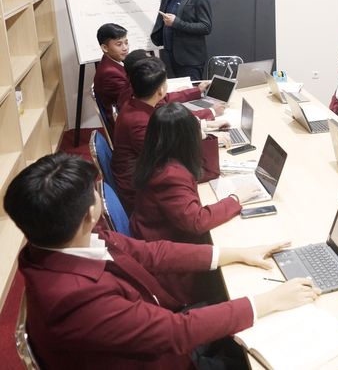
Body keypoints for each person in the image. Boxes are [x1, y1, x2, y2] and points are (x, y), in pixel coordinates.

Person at [4, 152, 318, 370]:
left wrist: (236, 253)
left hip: (151, 330)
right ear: (89, 214)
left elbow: (152, 253)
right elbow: (176, 333)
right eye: (94, 192)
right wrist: (269, 301)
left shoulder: (61, 240)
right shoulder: (75, 300)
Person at [130, 103, 256, 303]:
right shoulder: (170, 175)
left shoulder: (159, 157)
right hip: (174, 271)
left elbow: (206, 173)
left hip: (164, 242)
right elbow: (197, 221)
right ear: (185, 138)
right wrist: (235, 199)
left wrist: (204, 138)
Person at [112, 57, 226, 211]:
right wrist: (202, 137)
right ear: (160, 89)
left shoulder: (136, 103)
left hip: (142, 174)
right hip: (140, 191)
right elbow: (168, 157)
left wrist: (204, 125)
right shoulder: (139, 122)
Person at [95, 0, 212, 80]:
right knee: (171, 90)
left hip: (189, 60)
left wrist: (176, 23)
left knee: (191, 91)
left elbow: (206, 27)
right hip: (168, 55)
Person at [93, 24, 213, 135]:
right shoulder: (110, 73)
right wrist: (208, 113)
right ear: (105, 47)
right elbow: (157, 107)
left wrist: (196, 91)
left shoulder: (117, 63)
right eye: (119, 44)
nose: (125, 48)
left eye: (126, 42)